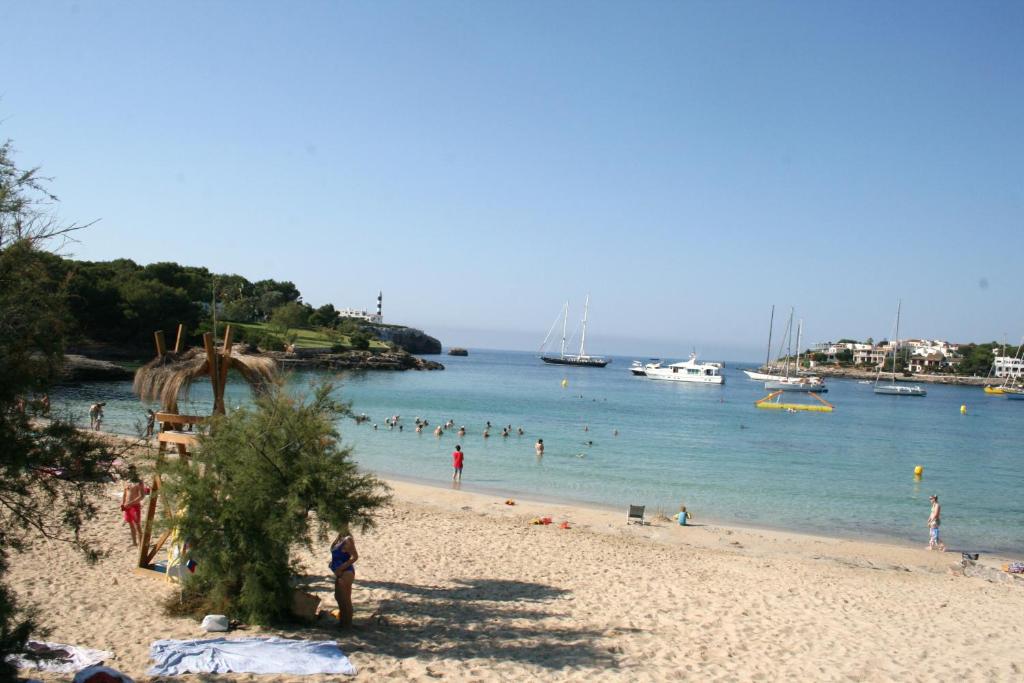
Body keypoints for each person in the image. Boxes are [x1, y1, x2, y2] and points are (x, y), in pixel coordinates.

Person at [329, 530, 358, 627]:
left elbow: (355, 557)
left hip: (346, 571)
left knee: (345, 598)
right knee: (338, 597)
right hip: (339, 572)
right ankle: (343, 621)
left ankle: (347, 623)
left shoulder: (348, 539)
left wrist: (341, 568)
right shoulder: (338, 539)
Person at [121, 470, 147, 546]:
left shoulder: (139, 482)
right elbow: (125, 493)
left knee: (137, 525)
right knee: (130, 524)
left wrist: (131, 503)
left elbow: (142, 496)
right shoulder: (127, 482)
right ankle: (134, 542)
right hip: (127, 506)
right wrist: (123, 504)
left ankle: (141, 543)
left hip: (134, 506)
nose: (130, 473)